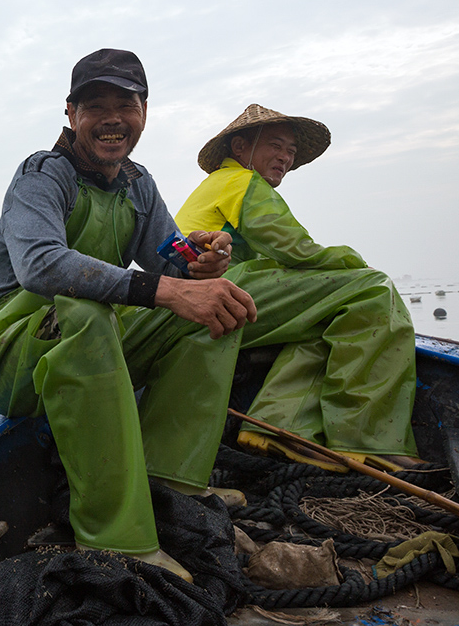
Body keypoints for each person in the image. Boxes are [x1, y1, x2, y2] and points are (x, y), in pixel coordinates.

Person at [0, 49, 257, 583]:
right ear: (71, 114)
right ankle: (118, 538)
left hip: (93, 338)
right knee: (84, 310)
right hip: (10, 354)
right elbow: (40, 264)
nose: (112, 119)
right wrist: (166, 289)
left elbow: (170, 256)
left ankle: (172, 479)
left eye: (126, 104)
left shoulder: (138, 184)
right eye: (95, 106)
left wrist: (202, 259)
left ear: (145, 112)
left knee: (218, 300)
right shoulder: (41, 176)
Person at [175, 104, 421, 472]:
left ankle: (283, 428)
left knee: (325, 317)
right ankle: (367, 439)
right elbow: (295, 249)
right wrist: (358, 266)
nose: (285, 157)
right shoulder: (242, 182)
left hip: (203, 298)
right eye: (276, 145)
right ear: (240, 148)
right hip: (217, 294)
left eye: (290, 151)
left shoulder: (217, 184)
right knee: (371, 289)